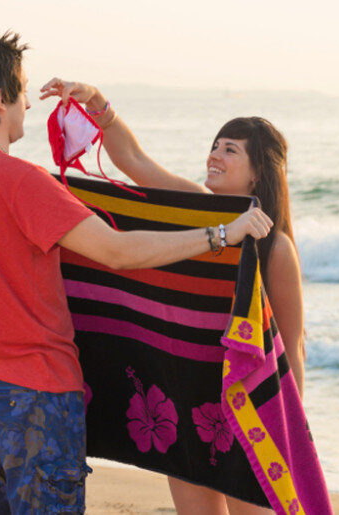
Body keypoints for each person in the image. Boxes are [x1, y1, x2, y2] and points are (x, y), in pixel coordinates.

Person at [0, 33, 273, 514]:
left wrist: (100, 108)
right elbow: (115, 251)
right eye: (23, 91)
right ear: (0, 100)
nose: (28, 104)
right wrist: (220, 237)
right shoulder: (23, 181)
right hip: (35, 391)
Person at [40, 78, 305, 515]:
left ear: (257, 171)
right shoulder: (192, 208)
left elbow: (291, 344)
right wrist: (97, 103)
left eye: (230, 150)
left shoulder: (274, 248)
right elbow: (135, 162)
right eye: (215, 145)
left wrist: (289, 426)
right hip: (187, 400)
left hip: (247, 409)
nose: (214, 156)